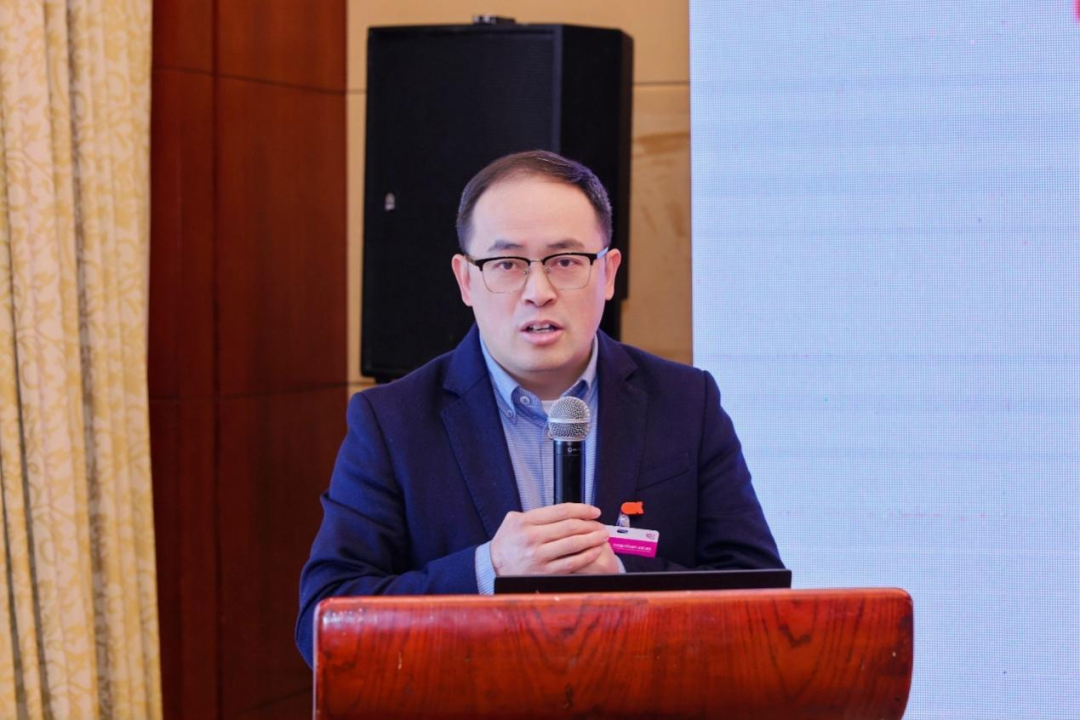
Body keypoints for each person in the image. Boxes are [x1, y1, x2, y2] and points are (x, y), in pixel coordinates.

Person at [296, 150, 782, 667]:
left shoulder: (686, 402)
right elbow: (323, 622)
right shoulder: (392, 420)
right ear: (466, 281)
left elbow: (762, 599)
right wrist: (489, 569)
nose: (538, 292)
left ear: (608, 273)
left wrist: (623, 578)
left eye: (565, 261)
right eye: (506, 264)